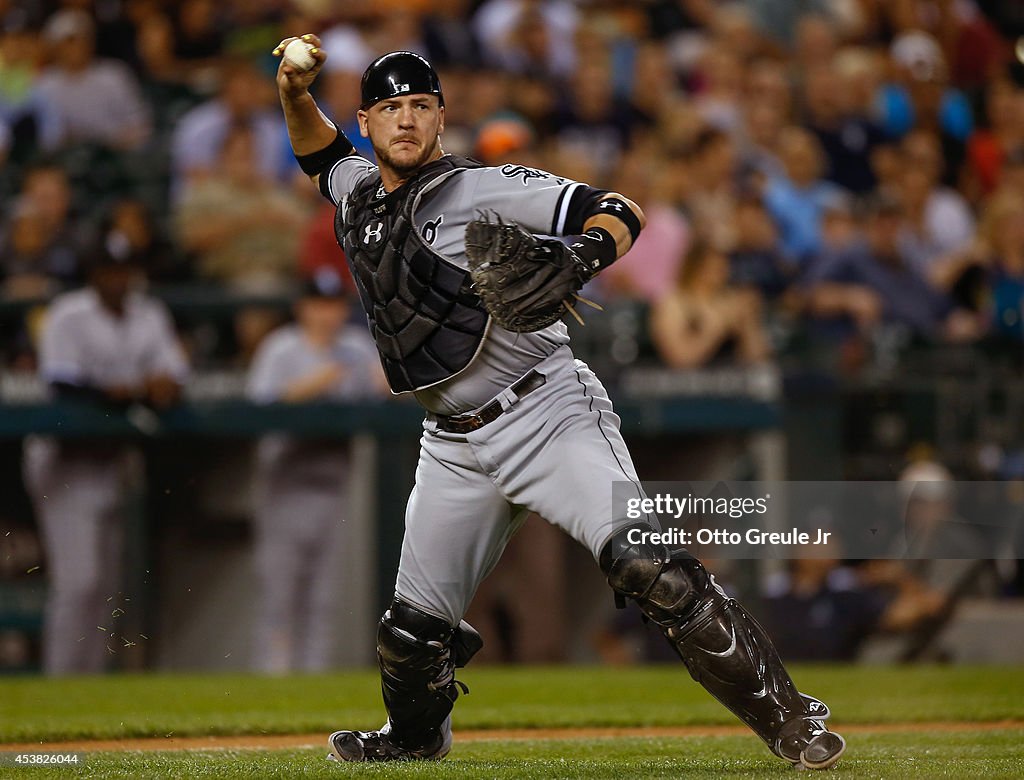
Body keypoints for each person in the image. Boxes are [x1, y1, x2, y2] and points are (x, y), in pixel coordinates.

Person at [272, 36, 846, 769]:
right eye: (391, 109)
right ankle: (415, 740)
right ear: (367, 121)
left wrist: (582, 254)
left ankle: (791, 719)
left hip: (546, 411)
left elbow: (617, 208)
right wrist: (292, 93)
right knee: (410, 637)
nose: (407, 121)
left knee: (649, 566)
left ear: (442, 117)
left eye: (421, 106)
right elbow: (318, 156)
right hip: (453, 442)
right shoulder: (356, 193)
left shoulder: (481, 189)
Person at [22, 245, 189, 675]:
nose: (118, 279)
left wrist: (155, 386)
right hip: (64, 461)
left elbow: (173, 375)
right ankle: (60, 684)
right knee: (79, 582)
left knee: (107, 586)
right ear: (93, 274)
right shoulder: (67, 313)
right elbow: (63, 385)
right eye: (109, 270)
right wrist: (130, 390)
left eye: (125, 270)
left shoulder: (147, 313)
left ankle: (89, 685)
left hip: (113, 459)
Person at [246, 270, 386, 673]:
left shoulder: (357, 348)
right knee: (279, 596)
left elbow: (389, 390)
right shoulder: (280, 349)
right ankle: (272, 684)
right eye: (318, 304)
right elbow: (258, 408)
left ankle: (313, 684)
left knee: (324, 597)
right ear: (301, 308)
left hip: (335, 484)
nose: (326, 313)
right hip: (284, 485)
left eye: (334, 304)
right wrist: (313, 385)